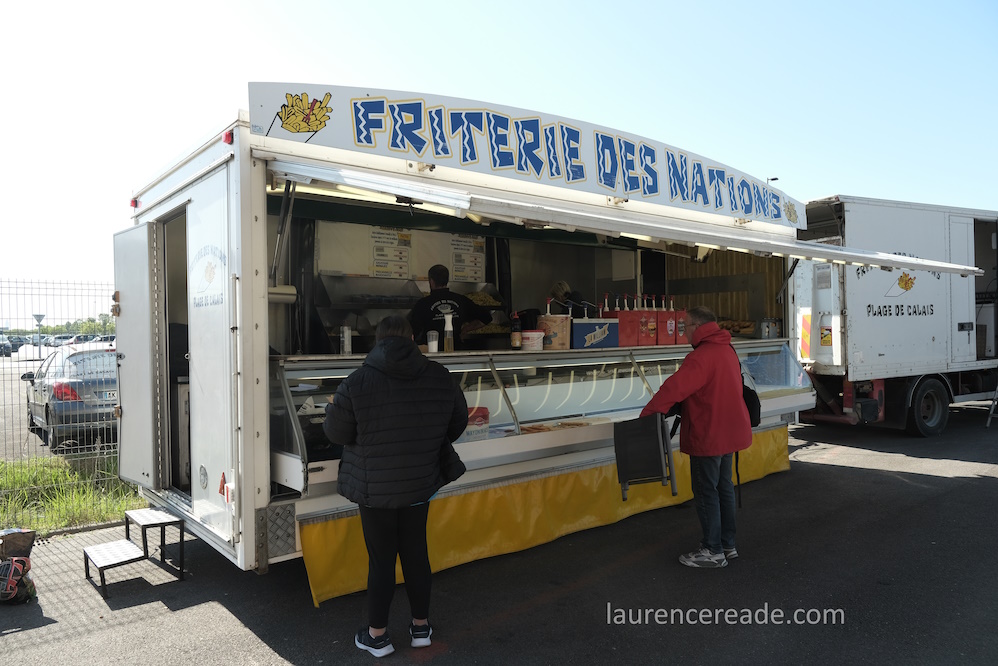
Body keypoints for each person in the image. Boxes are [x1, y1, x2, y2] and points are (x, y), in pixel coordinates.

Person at [323, 315, 469, 656]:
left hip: (374, 489)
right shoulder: (439, 375)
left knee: (382, 561)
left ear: (377, 340)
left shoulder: (357, 381)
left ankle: (377, 636)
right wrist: (429, 442)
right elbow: (458, 420)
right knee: (416, 554)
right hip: (420, 483)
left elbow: (336, 433)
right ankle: (421, 629)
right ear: (413, 337)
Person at [639, 305, 751, 569]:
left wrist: (647, 416)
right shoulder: (727, 349)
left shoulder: (701, 357)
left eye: (685, 326)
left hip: (708, 434)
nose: (683, 332)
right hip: (729, 431)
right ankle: (727, 544)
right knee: (724, 488)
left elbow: (673, 389)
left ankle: (712, 551)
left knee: (705, 491)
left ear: (697, 327)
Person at [408, 264, 492, 350]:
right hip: (455, 352)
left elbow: (411, 330)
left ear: (431, 281)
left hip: (431, 352)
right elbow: (486, 317)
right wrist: (466, 329)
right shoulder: (461, 300)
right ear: (447, 280)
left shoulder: (423, 304)